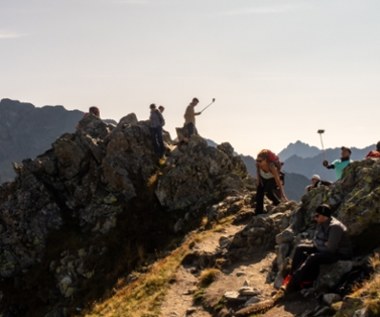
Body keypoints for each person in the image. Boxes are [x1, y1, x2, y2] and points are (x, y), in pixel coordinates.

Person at [282, 204, 352, 292]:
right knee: (300, 248)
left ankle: (293, 283)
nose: (315, 217)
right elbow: (316, 240)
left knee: (313, 257)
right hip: (324, 249)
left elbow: (331, 249)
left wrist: (321, 244)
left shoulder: (335, 227)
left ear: (323, 216)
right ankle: (291, 276)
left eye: (317, 215)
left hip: (339, 254)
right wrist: (323, 243)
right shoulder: (321, 223)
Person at [255, 149, 287, 214]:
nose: (258, 162)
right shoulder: (258, 164)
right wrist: (258, 182)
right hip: (263, 178)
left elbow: (278, 180)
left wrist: (283, 194)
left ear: (266, 160)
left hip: (272, 179)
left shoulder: (271, 166)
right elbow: (258, 173)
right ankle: (258, 212)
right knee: (259, 194)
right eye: (257, 160)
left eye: (260, 161)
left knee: (268, 191)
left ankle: (277, 203)